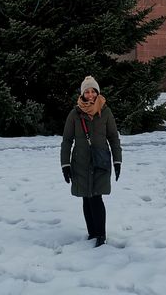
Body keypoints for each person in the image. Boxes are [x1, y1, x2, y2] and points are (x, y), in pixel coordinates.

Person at [60, 76, 122, 247]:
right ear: (82, 94)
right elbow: (67, 140)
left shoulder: (106, 112)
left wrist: (118, 161)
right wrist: (65, 164)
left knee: (96, 197)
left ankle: (100, 235)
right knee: (86, 198)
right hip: (80, 163)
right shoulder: (75, 114)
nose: (90, 94)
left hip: (100, 162)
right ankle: (92, 233)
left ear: (97, 92)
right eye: (87, 91)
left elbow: (113, 138)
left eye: (93, 91)